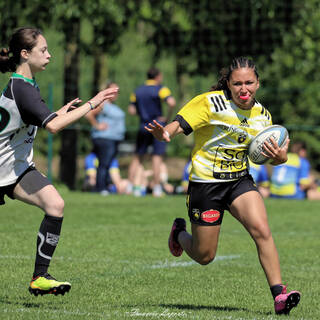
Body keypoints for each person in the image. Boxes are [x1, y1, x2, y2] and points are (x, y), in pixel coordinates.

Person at [145, 57, 300, 315]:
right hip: (206, 185)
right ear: (228, 83)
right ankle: (180, 235)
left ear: (258, 83)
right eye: (237, 83)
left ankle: (279, 295)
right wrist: (166, 134)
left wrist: (280, 158)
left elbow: (271, 157)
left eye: (249, 82)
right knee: (205, 255)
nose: (243, 89)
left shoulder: (263, 116)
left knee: (262, 229)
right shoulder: (211, 102)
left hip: (239, 182)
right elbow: (178, 125)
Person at [0, 27, 119, 296]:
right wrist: (93, 103)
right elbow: (52, 128)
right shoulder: (22, 87)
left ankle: (40, 277)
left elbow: (42, 121)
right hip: (4, 167)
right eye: (43, 50)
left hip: (14, 168)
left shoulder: (26, 85)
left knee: (55, 204)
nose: (49, 55)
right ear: (25, 54)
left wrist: (59, 112)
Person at [128, 67, 176, 197]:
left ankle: (129, 186)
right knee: (156, 156)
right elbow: (171, 103)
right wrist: (167, 118)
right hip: (157, 126)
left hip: (143, 125)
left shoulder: (137, 91)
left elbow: (131, 110)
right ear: (158, 76)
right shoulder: (161, 89)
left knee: (138, 156)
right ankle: (156, 187)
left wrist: (143, 114)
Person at [85, 81, 125, 195]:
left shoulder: (112, 105)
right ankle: (100, 187)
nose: (115, 94)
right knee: (104, 163)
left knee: (108, 164)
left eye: (117, 91)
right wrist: (97, 125)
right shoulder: (103, 104)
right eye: (113, 91)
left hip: (114, 139)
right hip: (104, 139)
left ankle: (106, 186)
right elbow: (89, 114)